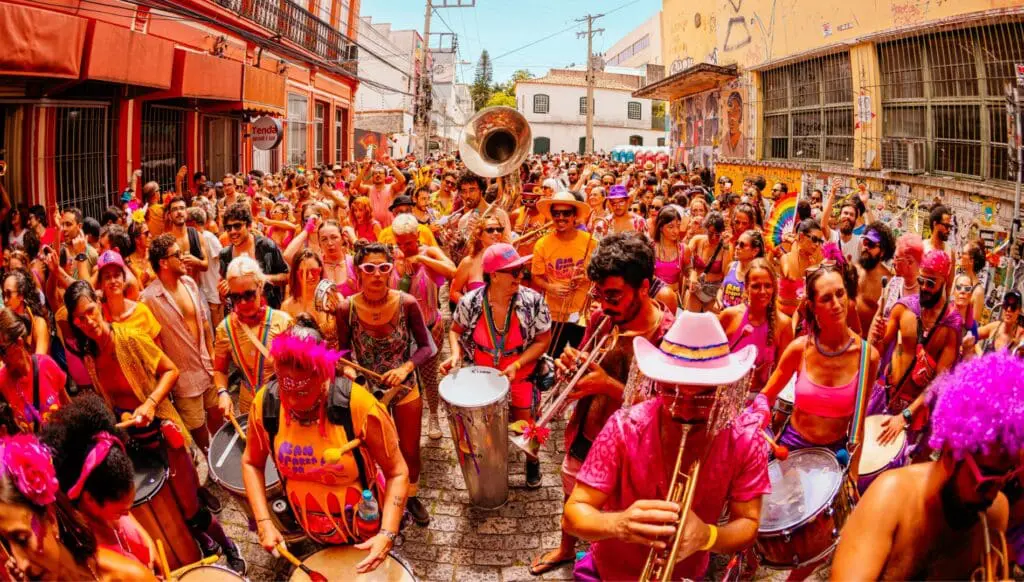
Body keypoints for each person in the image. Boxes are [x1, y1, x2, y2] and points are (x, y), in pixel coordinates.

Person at [562, 311, 769, 580]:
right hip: (611, 572)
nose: (684, 409)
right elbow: (574, 513)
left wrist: (708, 535)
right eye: (671, 391)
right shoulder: (624, 426)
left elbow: (748, 523)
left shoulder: (745, 439)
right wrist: (619, 523)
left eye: (703, 396)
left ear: (724, 388)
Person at [64, 280, 246, 573]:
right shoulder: (90, 357)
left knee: (191, 510)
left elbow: (170, 370)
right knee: (171, 510)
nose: (88, 321)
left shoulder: (130, 338)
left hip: (164, 432)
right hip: (135, 444)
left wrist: (149, 403)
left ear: (99, 305)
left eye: (90, 311)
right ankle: (205, 548)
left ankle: (228, 546)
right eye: (80, 319)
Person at [532, 232, 676, 576]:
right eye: (599, 294)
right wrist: (571, 365)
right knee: (572, 496)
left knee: (620, 518)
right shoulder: (602, 319)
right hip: (588, 432)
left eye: (614, 295)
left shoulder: (670, 337)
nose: (604, 305)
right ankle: (567, 549)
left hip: (637, 451)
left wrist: (610, 386)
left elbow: (669, 409)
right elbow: (585, 360)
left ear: (644, 287)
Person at [832, 351, 1023, 580]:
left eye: (1005, 479)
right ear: (953, 455)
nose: (993, 495)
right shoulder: (890, 499)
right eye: (986, 482)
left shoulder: (996, 513)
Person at [242, 319, 409, 574]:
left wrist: (387, 533)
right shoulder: (266, 403)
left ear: (323, 376)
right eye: (285, 391)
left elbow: (397, 471)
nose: (292, 402)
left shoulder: (358, 405)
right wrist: (264, 521)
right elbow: (251, 462)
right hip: (312, 531)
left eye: (302, 393)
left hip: (365, 528)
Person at [335, 242, 437, 527]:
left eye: (384, 268)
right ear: (358, 272)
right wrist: (348, 371)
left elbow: (426, 347)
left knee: (409, 450)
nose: (377, 274)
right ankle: (379, 496)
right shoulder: (346, 308)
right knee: (374, 450)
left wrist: (405, 368)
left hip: (405, 387)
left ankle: (412, 496)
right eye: (370, 268)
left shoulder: (406, 303)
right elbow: (343, 353)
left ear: (391, 270)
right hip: (368, 393)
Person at [761, 244, 879, 477]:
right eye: (826, 299)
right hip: (790, 452)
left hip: (833, 460)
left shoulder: (868, 357)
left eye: (840, 294)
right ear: (813, 307)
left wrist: (853, 476)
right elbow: (765, 397)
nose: (836, 304)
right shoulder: (798, 349)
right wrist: (757, 417)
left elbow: (860, 423)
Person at [443, 243, 550, 485]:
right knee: (483, 425)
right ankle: (489, 465)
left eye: (521, 269)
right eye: (513, 272)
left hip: (521, 374)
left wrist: (518, 364)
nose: (519, 276)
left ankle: (532, 462)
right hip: (483, 376)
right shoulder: (470, 301)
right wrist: (455, 353)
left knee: (528, 423)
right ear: (494, 276)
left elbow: (544, 340)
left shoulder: (533, 301)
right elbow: (454, 331)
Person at [0, 432, 157, 581]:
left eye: (22, 540)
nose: (21, 564)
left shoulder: (127, 578)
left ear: (51, 518)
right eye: (6, 544)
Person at [40, 393, 156, 569]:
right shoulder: (89, 553)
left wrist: (148, 543)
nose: (127, 514)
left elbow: (129, 518)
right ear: (90, 499)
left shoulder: (108, 503)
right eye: (121, 511)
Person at [140, 234, 228, 453]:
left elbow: (205, 325)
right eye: (177, 254)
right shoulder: (149, 298)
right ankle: (210, 459)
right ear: (163, 262)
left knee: (218, 419)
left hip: (208, 368)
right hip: (184, 381)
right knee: (198, 428)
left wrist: (213, 358)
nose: (184, 257)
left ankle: (223, 458)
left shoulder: (189, 282)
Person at [870, 250, 961, 448]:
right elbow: (879, 351)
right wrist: (876, 336)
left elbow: (939, 381)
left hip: (915, 411)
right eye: (921, 281)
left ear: (944, 281)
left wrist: (906, 415)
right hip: (884, 395)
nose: (924, 288)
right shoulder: (903, 308)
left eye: (931, 283)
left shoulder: (951, 325)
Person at [391, 214, 455, 440]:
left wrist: (422, 259)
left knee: (429, 376)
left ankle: (434, 416)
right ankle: (405, 419)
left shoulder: (429, 252)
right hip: (399, 332)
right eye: (400, 243)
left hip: (429, 327)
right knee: (403, 378)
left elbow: (452, 270)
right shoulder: (392, 256)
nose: (404, 248)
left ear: (417, 236)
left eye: (408, 242)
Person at [214, 256, 293, 415]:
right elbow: (220, 370)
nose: (242, 302)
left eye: (249, 295)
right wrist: (223, 392)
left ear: (260, 287)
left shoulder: (283, 322)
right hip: (249, 405)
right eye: (236, 297)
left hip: (282, 401)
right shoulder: (225, 329)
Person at [533, 192, 594, 358]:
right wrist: (550, 287)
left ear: (574, 215)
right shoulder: (542, 244)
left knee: (578, 359)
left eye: (566, 213)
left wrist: (586, 276)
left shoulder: (590, 241)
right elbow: (536, 276)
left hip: (582, 313)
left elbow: (599, 275)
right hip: (554, 313)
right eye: (556, 213)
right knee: (551, 357)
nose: (561, 217)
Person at [720, 258, 793, 393]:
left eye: (768, 286)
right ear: (746, 287)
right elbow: (714, 361)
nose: (763, 291)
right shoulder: (729, 317)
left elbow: (783, 375)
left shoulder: (784, 325)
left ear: (774, 287)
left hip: (760, 404)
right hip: (725, 398)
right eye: (756, 286)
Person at [0, 308, 68, 434]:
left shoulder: (47, 364)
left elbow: (68, 406)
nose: (1, 358)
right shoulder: (2, 383)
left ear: (19, 343)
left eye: (2, 350)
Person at [217, 202, 289, 310]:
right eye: (228, 228)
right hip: (240, 317)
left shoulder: (266, 247)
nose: (232, 231)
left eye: (237, 226)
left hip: (268, 314)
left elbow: (286, 276)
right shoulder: (225, 255)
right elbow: (224, 297)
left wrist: (264, 278)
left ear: (249, 225)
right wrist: (223, 292)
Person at [450, 215, 509, 305]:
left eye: (499, 229)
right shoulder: (469, 262)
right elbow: (454, 292)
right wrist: (472, 308)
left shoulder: (508, 258)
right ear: (479, 235)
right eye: (490, 230)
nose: (496, 233)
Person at [686, 212, 732, 313]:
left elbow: (726, 272)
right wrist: (692, 275)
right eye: (710, 233)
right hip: (696, 290)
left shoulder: (725, 247)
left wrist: (726, 247)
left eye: (717, 234)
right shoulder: (697, 240)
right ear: (705, 229)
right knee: (691, 321)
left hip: (714, 293)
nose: (714, 238)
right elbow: (685, 258)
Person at [777, 218, 825, 317]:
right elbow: (793, 275)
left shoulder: (815, 261)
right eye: (814, 239)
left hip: (806, 321)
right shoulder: (786, 259)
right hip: (785, 321)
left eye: (819, 241)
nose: (817, 244)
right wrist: (796, 241)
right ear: (802, 236)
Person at [855, 222, 895, 335]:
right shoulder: (853, 269)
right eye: (865, 242)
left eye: (871, 245)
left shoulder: (889, 282)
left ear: (882, 252)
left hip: (868, 345)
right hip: (848, 340)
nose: (866, 248)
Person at [186, 207, 224, 328]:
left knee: (216, 318)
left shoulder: (208, 237)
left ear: (192, 222)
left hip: (213, 286)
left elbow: (222, 258)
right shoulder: (195, 238)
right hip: (205, 287)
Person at [1, 269, 51, 355]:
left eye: (9, 294)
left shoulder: (38, 323)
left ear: (21, 295)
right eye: (3, 295)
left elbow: (40, 360)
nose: (5, 300)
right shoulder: (3, 321)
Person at [351, 157, 407, 228]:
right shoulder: (369, 189)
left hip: (389, 226)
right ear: (372, 177)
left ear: (385, 176)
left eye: (380, 173)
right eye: (375, 173)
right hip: (373, 227)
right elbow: (355, 185)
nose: (378, 175)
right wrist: (364, 168)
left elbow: (402, 180)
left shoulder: (391, 187)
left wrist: (390, 164)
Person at [651, 206, 690, 304]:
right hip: (653, 300)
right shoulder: (650, 248)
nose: (676, 231)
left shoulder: (683, 249)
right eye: (671, 227)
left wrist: (692, 275)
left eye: (678, 226)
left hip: (674, 300)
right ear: (660, 227)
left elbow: (688, 269)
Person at [720, 229, 767, 310]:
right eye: (737, 243)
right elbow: (721, 289)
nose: (737, 247)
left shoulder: (759, 275)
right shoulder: (731, 266)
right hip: (724, 317)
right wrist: (719, 300)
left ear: (755, 251)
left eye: (742, 245)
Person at [164, 196, 208, 282]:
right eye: (174, 209)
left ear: (186, 213)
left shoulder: (197, 235)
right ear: (169, 216)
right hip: (175, 289)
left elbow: (205, 266)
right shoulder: (166, 241)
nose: (179, 212)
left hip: (194, 289)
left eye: (182, 208)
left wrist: (196, 262)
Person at [973, 291, 1023, 356]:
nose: (1008, 309)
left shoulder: (1020, 335)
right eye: (1006, 305)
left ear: (1019, 311)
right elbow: (972, 334)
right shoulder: (995, 327)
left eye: (1013, 307)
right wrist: (980, 354)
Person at [821, 193, 865, 264]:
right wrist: (832, 196)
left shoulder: (859, 241)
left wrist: (866, 204)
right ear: (840, 216)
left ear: (856, 218)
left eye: (851, 214)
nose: (848, 216)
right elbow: (823, 225)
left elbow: (874, 234)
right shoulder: (832, 235)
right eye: (845, 213)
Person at [957, 239, 987, 327]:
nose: (960, 256)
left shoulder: (977, 292)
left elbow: (973, 327)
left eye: (963, 254)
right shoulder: (957, 279)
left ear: (971, 260)